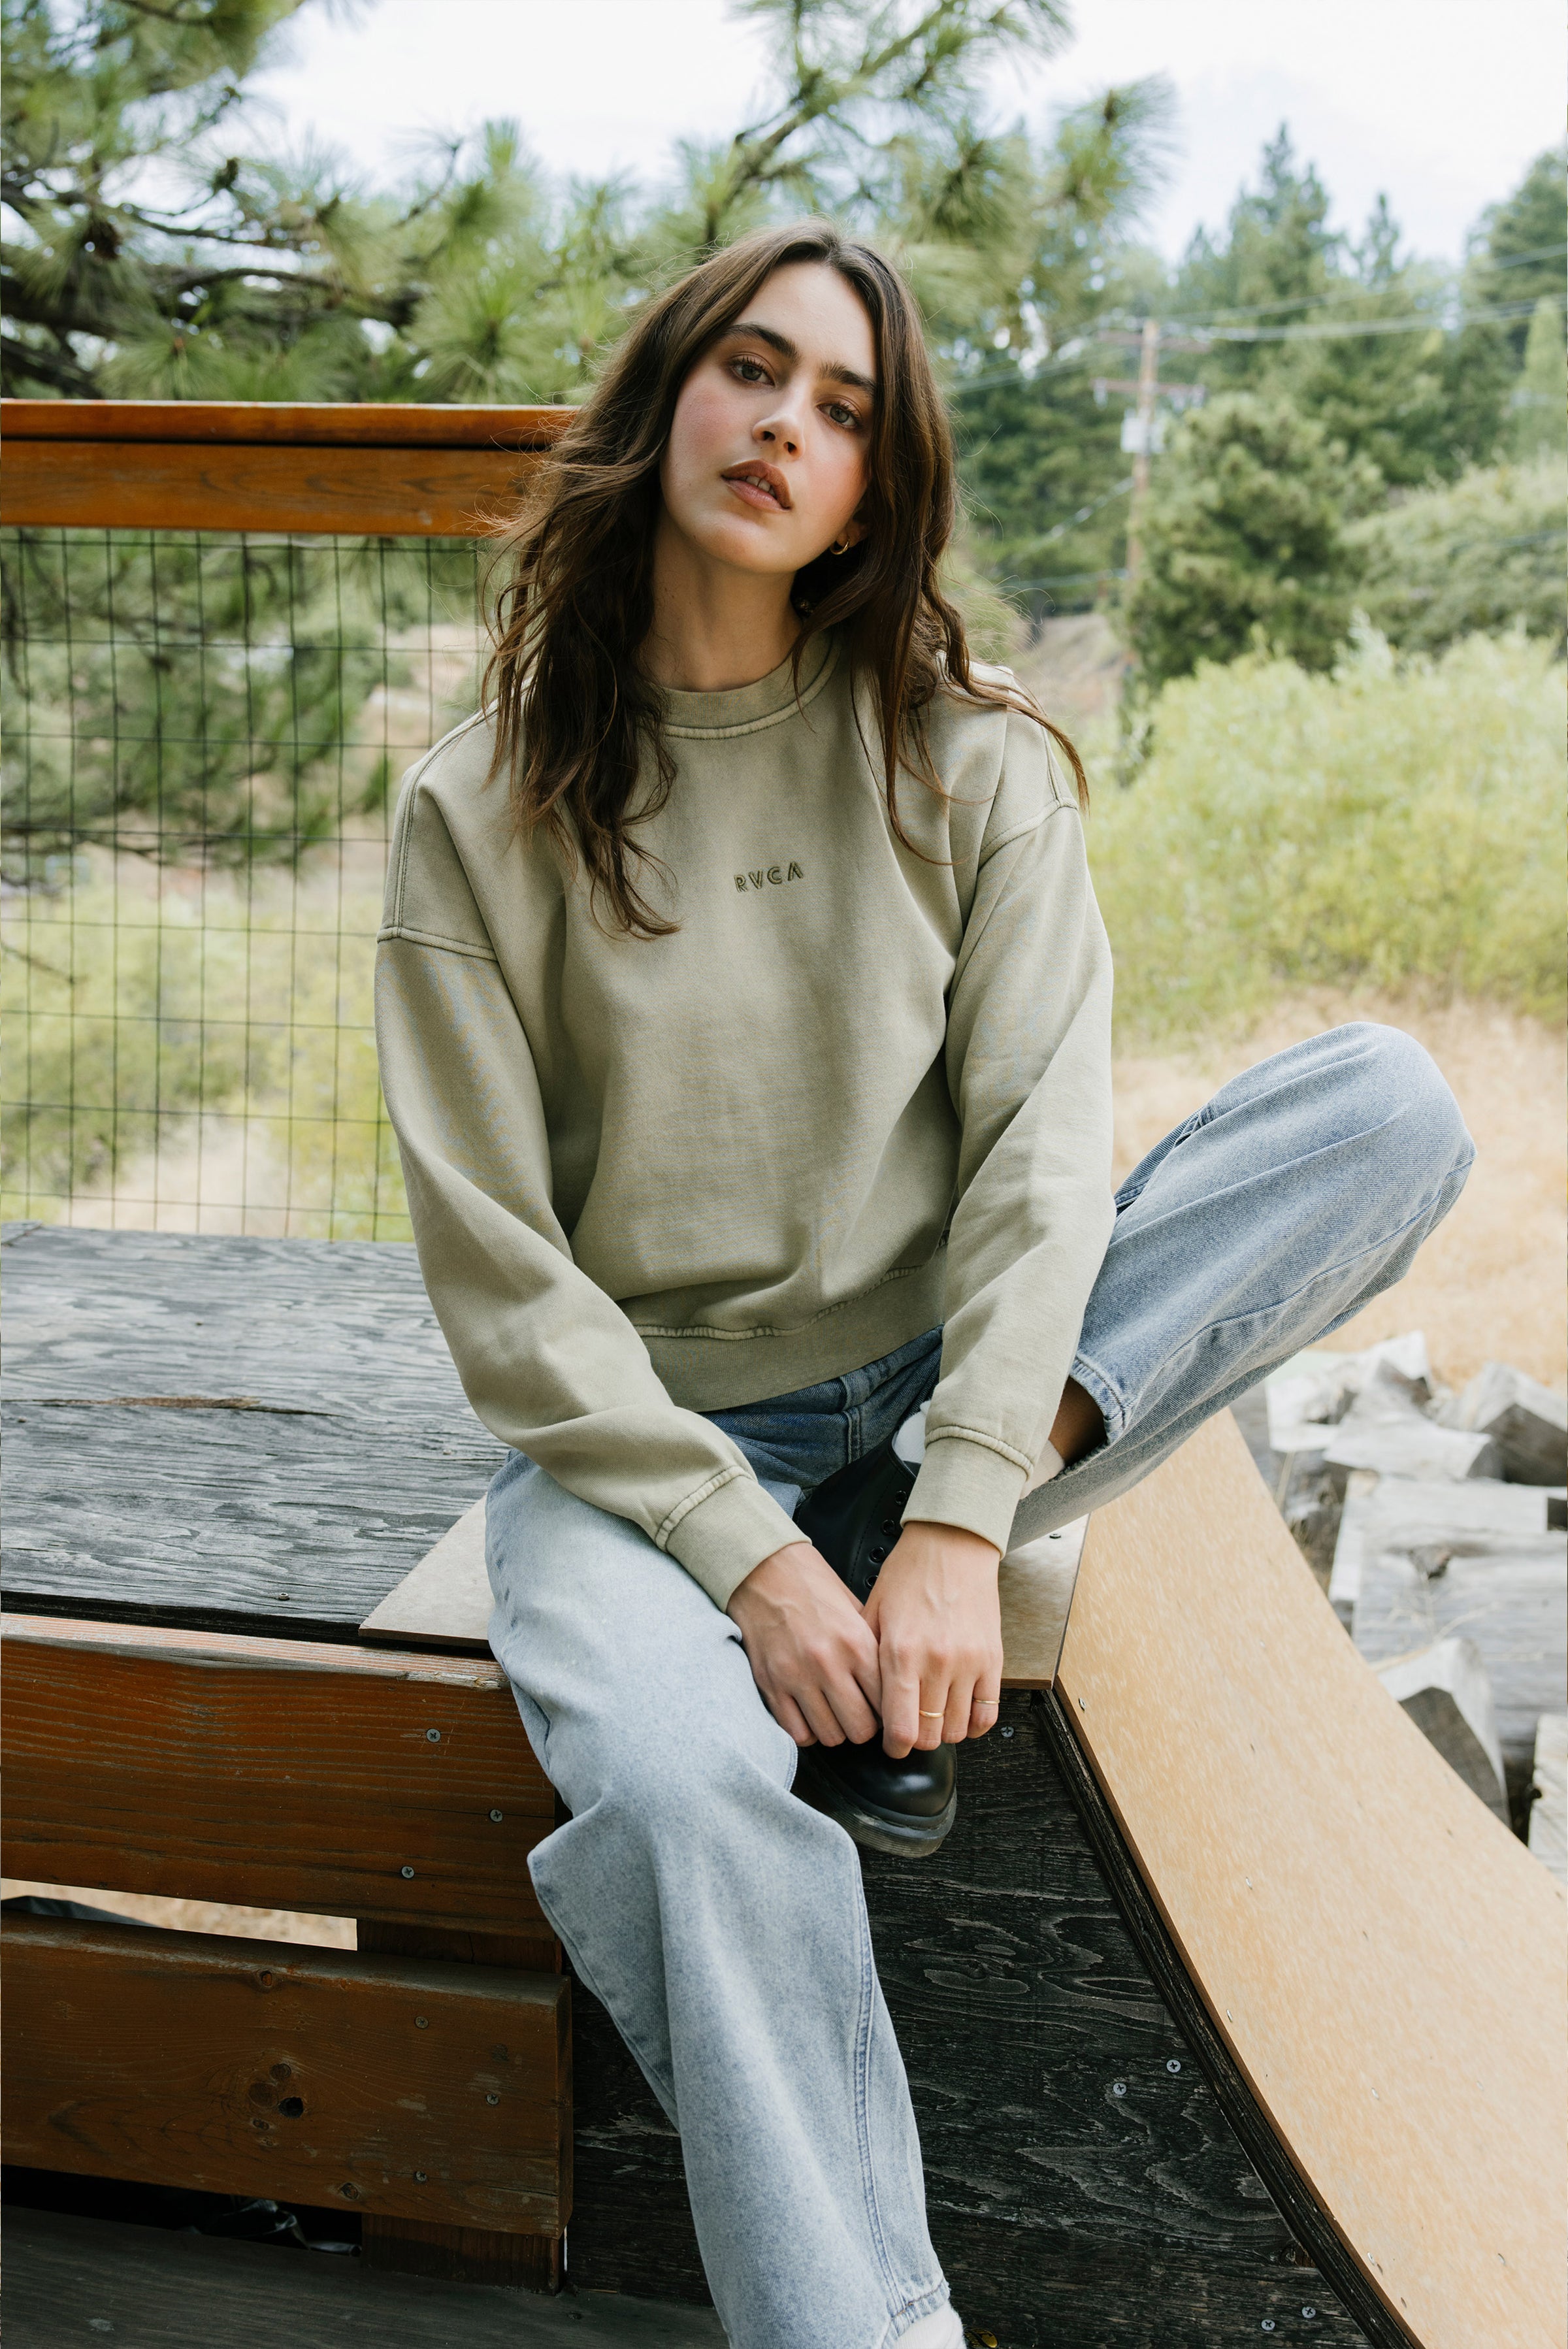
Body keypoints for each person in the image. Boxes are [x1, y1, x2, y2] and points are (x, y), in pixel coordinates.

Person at [374, 220, 1473, 2349]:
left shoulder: (969, 764)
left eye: (848, 408)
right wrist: (753, 1566)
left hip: (954, 1382)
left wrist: (962, 1509)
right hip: (641, 1459)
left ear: (883, 484)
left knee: (1387, 1105)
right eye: (754, 369)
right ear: (669, 394)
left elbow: (1048, 1167)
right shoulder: (476, 810)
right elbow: (503, 1286)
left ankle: (886, 1529)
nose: (788, 423)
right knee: (688, 1789)